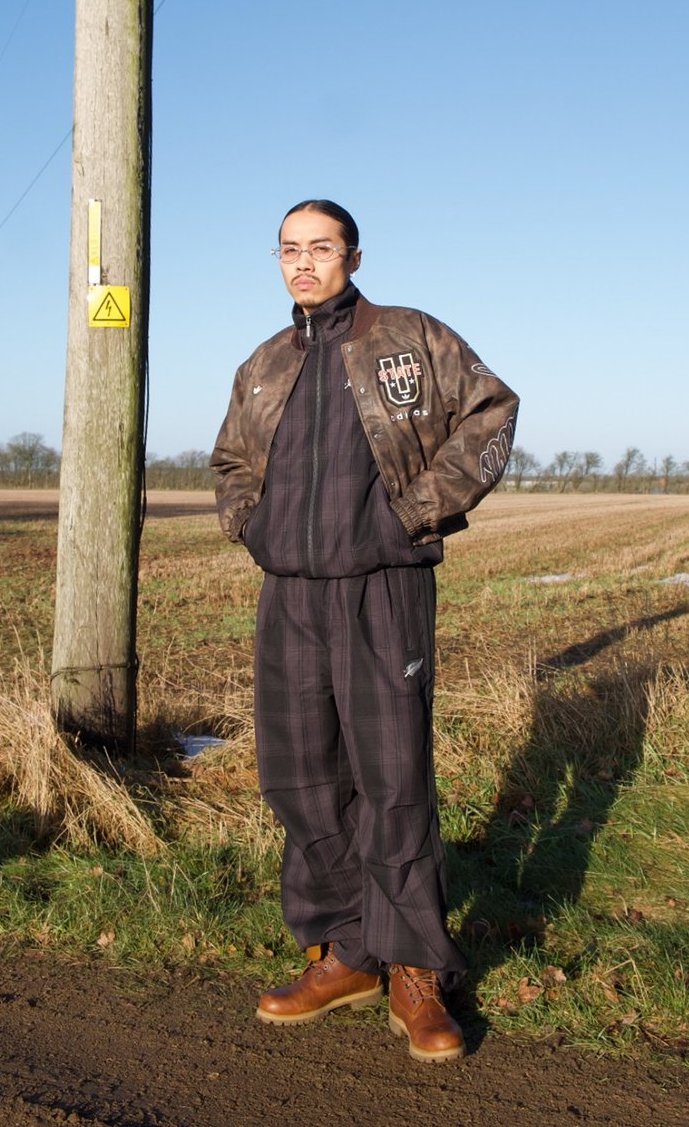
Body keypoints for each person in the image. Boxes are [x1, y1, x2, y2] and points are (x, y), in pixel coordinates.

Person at [210, 199, 519, 1062]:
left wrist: (413, 514)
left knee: (392, 779)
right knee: (300, 778)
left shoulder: (409, 337)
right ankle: (345, 951)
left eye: (321, 247)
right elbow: (230, 460)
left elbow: (493, 412)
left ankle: (416, 967)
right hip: (290, 596)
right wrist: (251, 524)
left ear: (352, 254)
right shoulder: (264, 364)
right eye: (289, 249)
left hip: (384, 588)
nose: (304, 262)